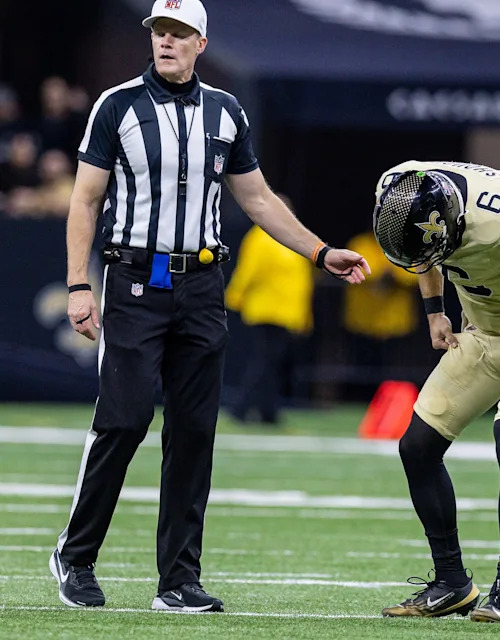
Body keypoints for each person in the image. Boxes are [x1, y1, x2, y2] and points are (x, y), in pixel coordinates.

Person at [52, 0, 369, 612]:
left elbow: (257, 198)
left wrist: (320, 250)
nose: (166, 42)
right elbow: (85, 200)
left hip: (201, 285)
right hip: (136, 281)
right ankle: (77, 555)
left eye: (178, 33)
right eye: (158, 32)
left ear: (201, 42)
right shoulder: (116, 104)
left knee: (195, 433)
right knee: (122, 421)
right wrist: (77, 285)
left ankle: (178, 580)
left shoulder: (226, 111)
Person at [373, 162, 500, 623]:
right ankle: (451, 582)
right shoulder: (402, 186)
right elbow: (423, 256)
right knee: (417, 447)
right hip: (482, 330)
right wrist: (433, 312)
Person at [225, 194, 315, 425]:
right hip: (266, 311)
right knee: (265, 361)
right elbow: (248, 271)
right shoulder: (261, 237)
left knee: (273, 363)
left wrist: (304, 316)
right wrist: (235, 296)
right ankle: (242, 407)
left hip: (286, 313)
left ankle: (267, 411)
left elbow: (301, 281)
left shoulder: (293, 240)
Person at [342, 230, 421, 386]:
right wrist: (384, 273)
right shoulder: (361, 243)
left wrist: (394, 275)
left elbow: (416, 273)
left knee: (394, 373)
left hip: (395, 324)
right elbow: (357, 269)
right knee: (363, 369)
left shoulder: (405, 245)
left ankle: (391, 402)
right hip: (364, 322)